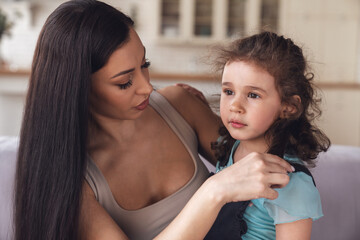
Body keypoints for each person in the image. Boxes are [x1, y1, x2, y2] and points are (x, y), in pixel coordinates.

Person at [14, 1, 294, 240]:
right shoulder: (72, 181)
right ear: (79, 90)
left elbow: (264, 161)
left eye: (144, 66)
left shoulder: (179, 105)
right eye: (125, 82)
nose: (147, 87)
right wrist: (213, 191)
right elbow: (226, 183)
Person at [204, 31, 331, 239]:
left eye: (253, 95)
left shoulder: (291, 184)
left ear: (288, 106)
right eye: (228, 91)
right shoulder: (229, 147)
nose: (235, 105)